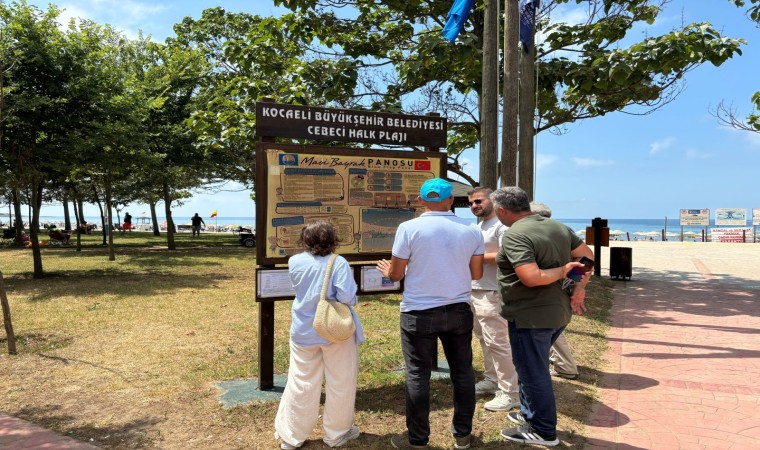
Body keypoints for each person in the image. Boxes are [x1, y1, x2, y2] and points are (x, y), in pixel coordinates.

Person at [376, 178, 484, 450]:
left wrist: (388, 270)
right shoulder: (472, 230)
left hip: (418, 311)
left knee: (417, 375)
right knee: (463, 373)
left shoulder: (408, 228)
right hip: (458, 309)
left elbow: (396, 275)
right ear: (451, 200)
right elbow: (477, 273)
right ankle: (462, 435)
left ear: (421, 200)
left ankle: (418, 439)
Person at [490, 187, 593, 447]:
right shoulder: (558, 226)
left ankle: (543, 430)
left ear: (501, 210)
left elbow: (532, 277)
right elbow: (588, 257)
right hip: (557, 313)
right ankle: (530, 414)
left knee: (533, 372)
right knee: (529, 367)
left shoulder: (515, 234)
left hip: (531, 316)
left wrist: (564, 271)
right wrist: (579, 287)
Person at [274, 221, 365, 449]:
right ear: (333, 239)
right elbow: (346, 296)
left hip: (303, 329)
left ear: (305, 239)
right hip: (334, 330)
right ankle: (336, 433)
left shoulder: (294, 261)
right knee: (341, 382)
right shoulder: (338, 262)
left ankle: (292, 436)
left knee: (301, 381)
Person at [467, 187, 519, 412]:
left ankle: (511, 392)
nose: (474, 206)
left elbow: (507, 255)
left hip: (493, 292)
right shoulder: (479, 226)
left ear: (493, 201)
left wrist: (474, 257)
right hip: (475, 290)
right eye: (471, 203)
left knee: (497, 343)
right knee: (484, 339)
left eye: (479, 201)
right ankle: (492, 379)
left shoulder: (502, 225)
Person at [530, 202, 580, 380]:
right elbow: (585, 259)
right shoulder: (564, 230)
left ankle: (564, 366)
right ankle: (565, 365)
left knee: (546, 329)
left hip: (545, 290)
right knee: (553, 328)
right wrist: (574, 283)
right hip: (560, 289)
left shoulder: (537, 233)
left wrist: (569, 280)